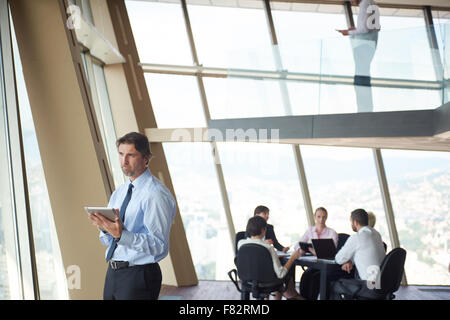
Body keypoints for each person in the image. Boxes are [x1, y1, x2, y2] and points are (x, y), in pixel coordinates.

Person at [88, 132, 176, 300]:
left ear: (146, 158)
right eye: (121, 154)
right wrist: (106, 229)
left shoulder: (155, 194)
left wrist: (121, 235)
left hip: (139, 275)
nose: (124, 161)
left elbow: (159, 246)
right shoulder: (120, 192)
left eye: (131, 155)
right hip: (114, 272)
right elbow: (107, 240)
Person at [238, 216, 302, 300]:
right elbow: (281, 274)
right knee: (287, 278)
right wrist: (292, 257)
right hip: (267, 283)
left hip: (248, 282)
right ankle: (294, 296)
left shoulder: (240, 244)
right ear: (263, 230)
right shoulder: (268, 248)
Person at [331, 208, 386, 299]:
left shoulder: (357, 238)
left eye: (351, 222)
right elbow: (363, 253)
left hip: (369, 286)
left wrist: (346, 260)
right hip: (382, 285)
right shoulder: (376, 234)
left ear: (355, 222)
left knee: (334, 285)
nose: (351, 224)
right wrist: (349, 261)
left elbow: (338, 259)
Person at [337, 0, 380, 112]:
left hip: (363, 45)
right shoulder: (372, 3)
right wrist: (355, 30)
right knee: (363, 76)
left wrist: (348, 32)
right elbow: (372, 27)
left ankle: (363, 108)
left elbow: (363, 29)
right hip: (371, 44)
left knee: (359, 78)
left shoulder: (364, 4)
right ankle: (366, 107)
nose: (350, 1)